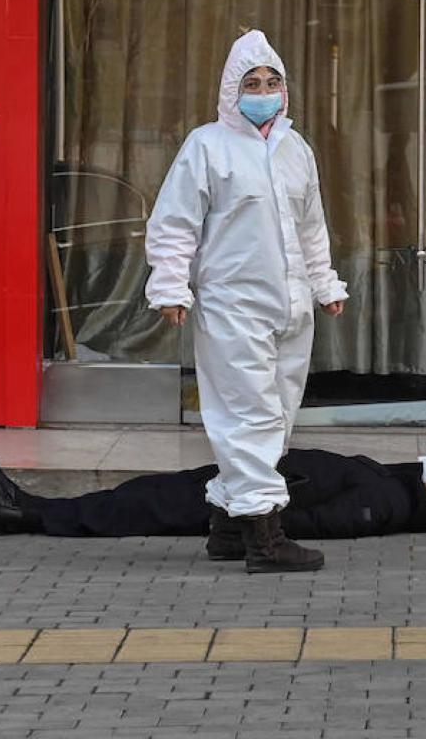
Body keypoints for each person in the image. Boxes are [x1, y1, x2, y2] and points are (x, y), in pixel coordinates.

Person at [144, 30, 349, 574]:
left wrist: (324, 283)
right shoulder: (207, 146)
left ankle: (226, 524)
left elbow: (311, 227)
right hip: (232, 303)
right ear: (231, 91)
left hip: (291, 304)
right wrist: (170, 286)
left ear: (286, 90)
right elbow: (175, 222)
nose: (263, 91)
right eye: (251, 83)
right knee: (249, 416)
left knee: (277, 416)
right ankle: (264, 536)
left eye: (272, 82)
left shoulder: (294, 149)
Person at [0, 451, 426, 543]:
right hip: (245, 478)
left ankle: (24, 513)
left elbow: (322, 521)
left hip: (242, 498)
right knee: (140, 495)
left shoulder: (387, 504)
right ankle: (22, 510)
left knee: (130, 509)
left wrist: (252, 520)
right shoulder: (393, 485)